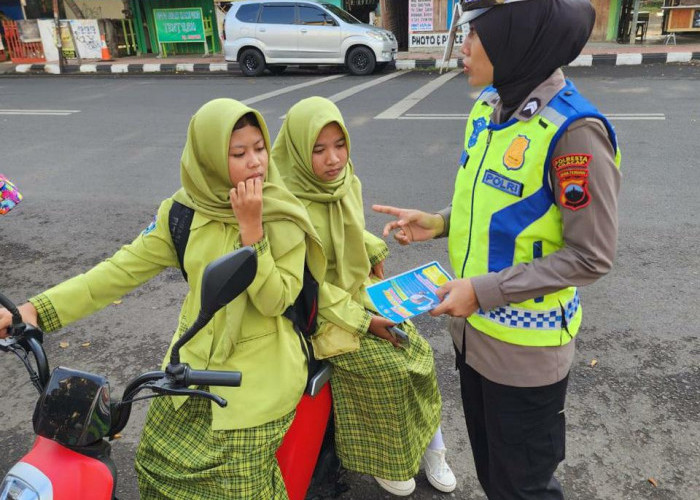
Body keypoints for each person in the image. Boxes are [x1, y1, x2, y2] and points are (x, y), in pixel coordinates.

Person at [0, 98, 326, 500]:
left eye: (260, 148)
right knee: (155, 463)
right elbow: (120, 270)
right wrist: (36, 310)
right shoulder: (183, 212)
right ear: (207, 158)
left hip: (259, 377)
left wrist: (252, 229)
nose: (256, 162)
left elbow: (275, 301)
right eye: (238, 153)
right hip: (189, 365)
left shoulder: (281, 213)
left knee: (238, 488)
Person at [373, 1, 622, 498]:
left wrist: (483, 292)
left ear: (514, 39)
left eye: (475, 36)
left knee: (524, 488)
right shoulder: (491, 107)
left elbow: (592, 255)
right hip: (473, 339)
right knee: (494, 476)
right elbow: (498, 203)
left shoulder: (574, 132)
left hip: (526, 356)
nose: (462, 47)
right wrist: (438, 222)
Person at [271, 96, 456, 497]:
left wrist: (373, 249)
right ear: (299, 152)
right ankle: (387, 459)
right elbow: (308, 287)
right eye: (318, 150)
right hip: (319, 313)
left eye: (339, 145)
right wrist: (365, 321)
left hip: (355, 293)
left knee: (417, 351)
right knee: (388, 370)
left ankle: (431, 446)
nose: (333, 159)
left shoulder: (345, 181)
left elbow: (349, 229)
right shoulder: (285, 206)